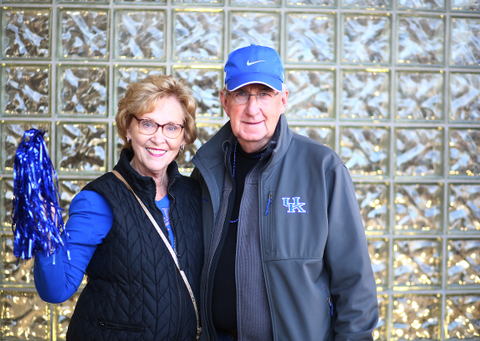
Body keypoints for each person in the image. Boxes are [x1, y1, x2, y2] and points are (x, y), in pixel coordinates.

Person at [191, 44, 379, 341]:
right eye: (242, 94)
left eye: (264, 94)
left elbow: (354, 283)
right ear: (224, 102)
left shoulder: (322, 168)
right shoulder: (205, 171)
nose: (253, 109)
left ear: (284, 100)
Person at [34, 75, 203, 341]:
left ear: (184, 137)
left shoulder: (194, 196)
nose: (159, 138)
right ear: (128, 128)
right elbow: (56, 290)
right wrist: (45, 231)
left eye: (171, 127)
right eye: (147, 124)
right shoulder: (98, 200)